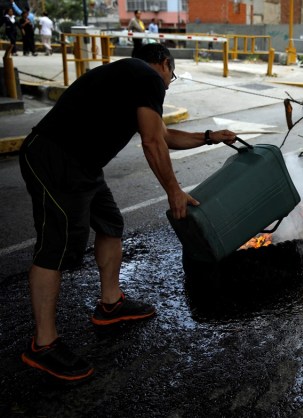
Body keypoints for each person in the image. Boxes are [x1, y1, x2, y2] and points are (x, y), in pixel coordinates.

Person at [18, 43, 237, 381]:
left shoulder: (130, 77)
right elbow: (152, 142)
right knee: (57, 246)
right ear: (163, 64)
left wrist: (210, 136)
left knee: (110, 223)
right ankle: (43, 344)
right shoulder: (146, 77)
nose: (168, 84)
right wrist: (174, 190)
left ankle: (111, 304)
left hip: (83, 164)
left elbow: (163, 135)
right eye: (172, 77)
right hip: (55, 159)